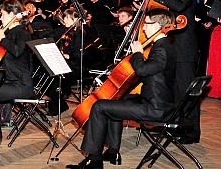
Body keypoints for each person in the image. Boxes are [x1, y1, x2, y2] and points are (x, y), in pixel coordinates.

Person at [65, 9, 177, 169]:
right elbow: (150, 72)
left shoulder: (161, 49)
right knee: (116, 99)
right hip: (156, 101)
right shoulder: (165, 45)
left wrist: (137, 53)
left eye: (147, 24)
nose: (144, 28)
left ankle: (94, 160)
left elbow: (142, 71)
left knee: (99, 106)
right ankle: (113, 151)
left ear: (159, 25)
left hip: (155, 108)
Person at [148, 0, 199, 143]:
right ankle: (176, 125)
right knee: (175, 92)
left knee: (187, 91)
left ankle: (191, 132)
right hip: (174, 49)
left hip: (185, 51)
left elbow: (178, 6)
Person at [0, 0, 34, 145]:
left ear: (12, 14)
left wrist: (2, 39)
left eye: (3, 15)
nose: (1, 18)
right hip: (10, 81)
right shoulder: (9, 32)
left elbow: (16, 51)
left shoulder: (22, 33)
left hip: (21, 85)